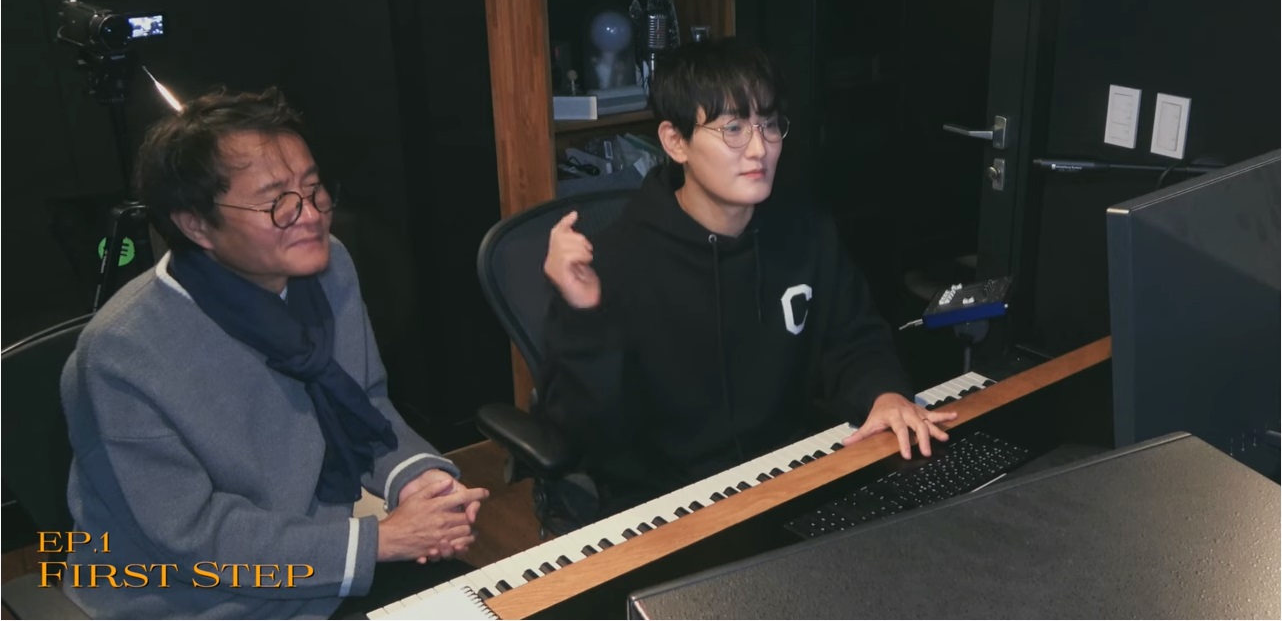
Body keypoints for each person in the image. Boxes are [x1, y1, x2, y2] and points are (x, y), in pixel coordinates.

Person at [60, 87, 488, 619]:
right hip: (191, 599)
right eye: (276, 202)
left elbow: (363, 405)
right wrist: (379, 541)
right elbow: (190, 538)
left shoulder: (328, 268)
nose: (309, 215)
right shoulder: (119, 354)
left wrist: (420, 480)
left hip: (318, 562)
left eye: (312, 189)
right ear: (195, 224)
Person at [540, 39, 958, 518]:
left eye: (769, 124)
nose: (760, 148)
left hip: (793, 476)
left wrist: (884, 393)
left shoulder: (804, 231)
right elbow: (582, 435)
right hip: (669, 509)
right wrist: (584, 316)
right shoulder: (614, 262)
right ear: (675, 142)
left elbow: (853, 339)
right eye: (734, 128)